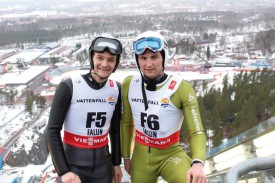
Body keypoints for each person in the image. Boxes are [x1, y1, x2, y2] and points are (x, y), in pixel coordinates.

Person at [120, 31, 207, 183]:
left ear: (164, 57)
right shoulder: (129, 84)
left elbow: (196, 132)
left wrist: (198, 163)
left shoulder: (181, 88)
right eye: (143, 58)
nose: (148, 64)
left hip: (170, 155)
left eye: (154, 57)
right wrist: (126, 157)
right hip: (141, 158)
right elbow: (126, 123)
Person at [47, 36, 123, 183]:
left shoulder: (116, 89)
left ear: (116, 63)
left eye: (111, 60)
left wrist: (116, 163)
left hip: (103, 169)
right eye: (100, 58)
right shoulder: (70, 86)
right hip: (73, 170)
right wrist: (64, 171)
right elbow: (52, 130)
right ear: (91, 58)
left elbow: (115, 129)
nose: (105, 64)